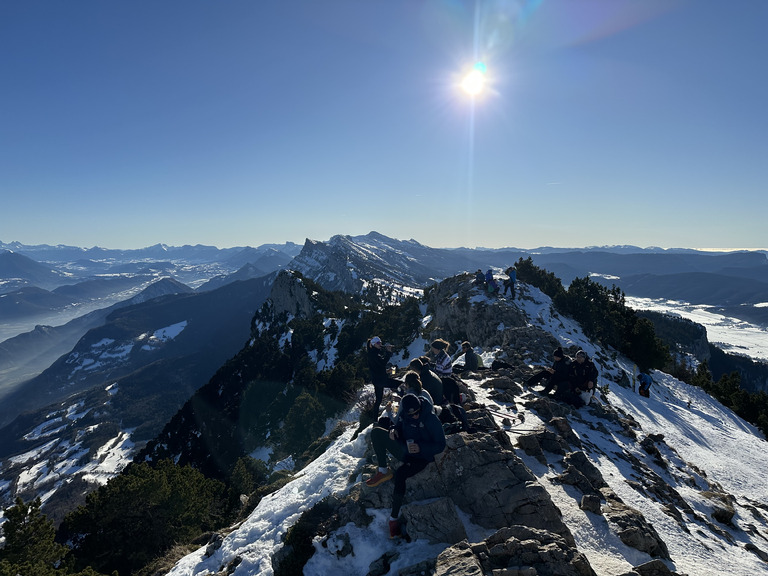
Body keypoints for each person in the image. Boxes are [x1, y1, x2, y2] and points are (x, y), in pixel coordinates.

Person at [365, 393, 447, 538]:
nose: (415, 416)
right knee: (377, 432)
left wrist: (421, 447)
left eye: (417, 413)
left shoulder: (430, 418)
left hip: (421, 458)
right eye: (412, 414)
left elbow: (441, 444)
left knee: (400, 475)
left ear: (420, 408)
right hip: (404, 449)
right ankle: (383, 470)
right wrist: (393, 430)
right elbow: (399, 424)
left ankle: (393, 520)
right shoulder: (405, 413)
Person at [367, 336, 401, 416]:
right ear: (373, 344)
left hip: (376, 380)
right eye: (378, 343)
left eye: (381, 342)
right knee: (400, 384)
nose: (380, 344)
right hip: (381, 380)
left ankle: (374, 419)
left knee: (378, 400)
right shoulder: (374, 354)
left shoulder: (372, 353)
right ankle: (400, 406)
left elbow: (377, 368)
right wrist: (388, 352)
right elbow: (383, 363)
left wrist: (386, 371)